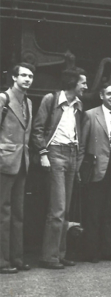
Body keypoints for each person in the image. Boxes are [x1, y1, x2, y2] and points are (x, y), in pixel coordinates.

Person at [32, 67, 87, 269]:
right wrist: (43, 153)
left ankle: (59, 253)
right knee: (57, 208)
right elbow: (37, 129)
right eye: (83, 82)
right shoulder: (51, 100)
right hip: (55, 153)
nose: (86, 86)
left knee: (65, 208)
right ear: (73, 83)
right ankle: (49, 256)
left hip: (71, 154)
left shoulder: (78, 105)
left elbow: (77, 132)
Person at [80, 83, 111, 262]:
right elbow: (83, 144)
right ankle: (92, 252)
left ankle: (110, 251)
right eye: (109, 94)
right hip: (98, 165)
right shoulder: (90, 115)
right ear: (102, 96)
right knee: (94, 210)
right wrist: (81, 167)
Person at [0, 63, 34, 274]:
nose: (28, 79)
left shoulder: (28, 102)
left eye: (30, 76)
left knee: (18, 213)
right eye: (23, 75)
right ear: (14, 77)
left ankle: (17, 257)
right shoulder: (4, 99)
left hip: (21, 162)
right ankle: (2, 261)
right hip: (5, 161)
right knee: (3, 212)